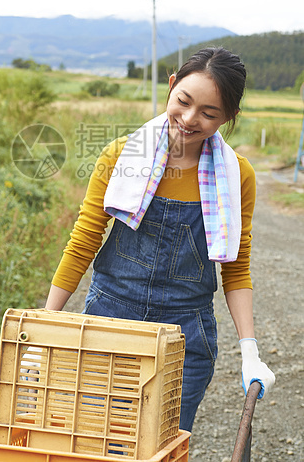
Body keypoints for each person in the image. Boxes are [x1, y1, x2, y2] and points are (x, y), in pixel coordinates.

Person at [45, 47, 275, 433]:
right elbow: (83, 241)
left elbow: (236, 267)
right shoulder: (120, 155)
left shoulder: (238, 176)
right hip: (108, 323)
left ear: (229, 117)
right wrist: (46, 323)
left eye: (208, 113)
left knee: (162, 447)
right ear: (171, 86)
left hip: (183, 337)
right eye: (183, 101)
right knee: (95, 442)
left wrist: (249, 350)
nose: (189, 119)